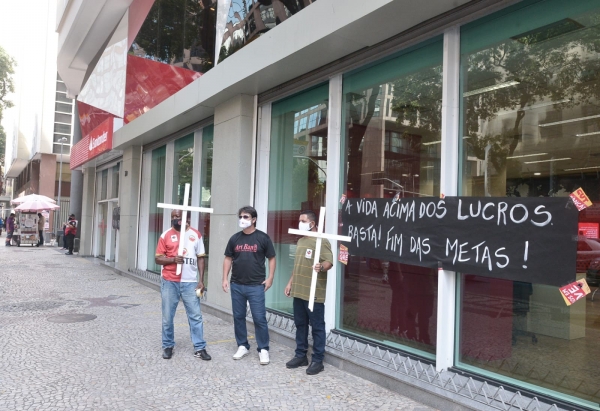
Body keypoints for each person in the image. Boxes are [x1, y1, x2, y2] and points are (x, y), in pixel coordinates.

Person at [222, 206, 276, 365]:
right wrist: (224, 278)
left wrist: (271, 277)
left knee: (259, 318)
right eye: (240, 216)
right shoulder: (234, 239)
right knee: (238, 317)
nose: (242, 219)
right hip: (237, 284)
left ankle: (263, 349)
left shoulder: (263, 238)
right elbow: (228, 259)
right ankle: (242, 345)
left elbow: (272, 258)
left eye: (246, 217)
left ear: (254, 219)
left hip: (256, 285)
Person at [155, 209, 211, 361]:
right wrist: (173, 260)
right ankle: (167, 345)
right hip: (169, 281)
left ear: (187, 218)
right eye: (173, 216)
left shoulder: (195, 235)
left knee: (196, 316)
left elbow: (201, 258)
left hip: (190, 282)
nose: (175, 218)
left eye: (178, 216)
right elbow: (158, 259)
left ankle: (199, 348)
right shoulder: (165, 235)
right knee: (167, 316)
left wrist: (201, 280)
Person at [284, 210, 333, 375]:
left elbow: (329, 262)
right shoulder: (301, 241)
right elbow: (297, 265)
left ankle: (318, 360)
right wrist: (290, 283)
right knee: (300, 324)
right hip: (299, 290)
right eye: (299, 220)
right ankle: (301, 355)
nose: (300, 223)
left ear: (312, 223)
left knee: (317, 327)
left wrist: (321, 267)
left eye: (303, 220)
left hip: (314, 292)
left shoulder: (322, 241)